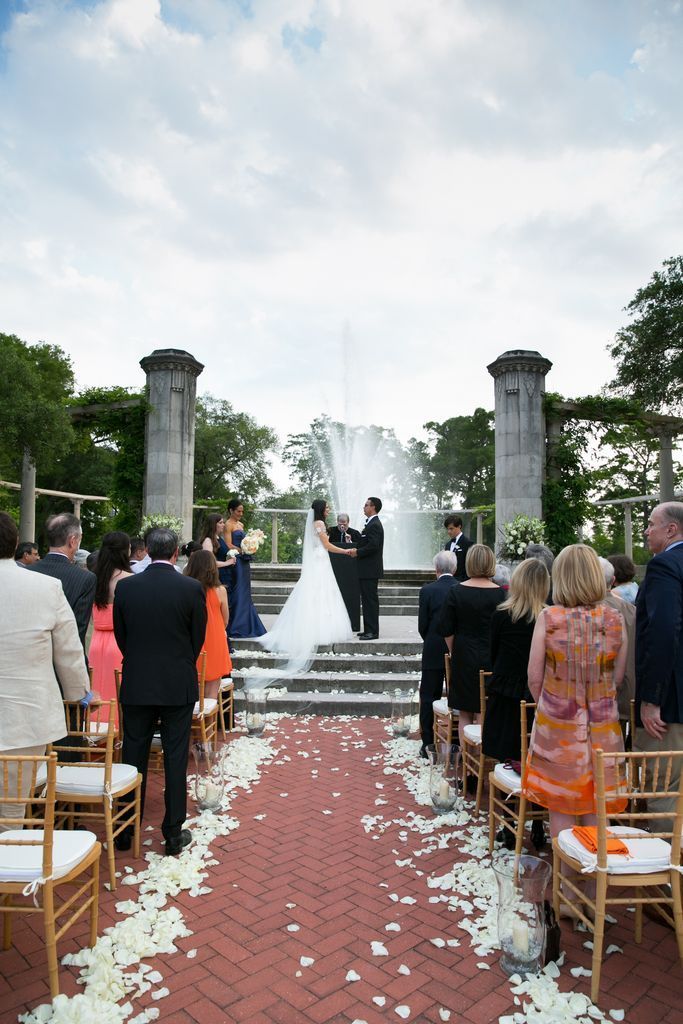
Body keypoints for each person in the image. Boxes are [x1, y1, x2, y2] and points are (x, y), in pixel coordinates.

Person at [113, 528, 207, 856]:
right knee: (175, 756)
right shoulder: (191, 588)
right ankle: (172, 833)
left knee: (133, 756)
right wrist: (180, 663)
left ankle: (125, 830)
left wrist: (141, 662)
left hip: (138, 681)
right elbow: (198, 637)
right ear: (177, 551)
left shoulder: (126, 588)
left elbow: (122, 637)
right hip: (176, 684)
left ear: (149, 551)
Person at [522, 544, 627, 838]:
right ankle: (596, 878)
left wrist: (551, 704)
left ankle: (566, 882)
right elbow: (617, 678)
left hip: (557, 726)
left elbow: (533, 676)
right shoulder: (614, 620)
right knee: (598, 803)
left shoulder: (550, 618)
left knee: (562, 806)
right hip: (604, 725)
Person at [0, 512, 90, 827]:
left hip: (24, 713)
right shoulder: (46, 587)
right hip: (26, 714)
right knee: (12, 807)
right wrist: (79, 694)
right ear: (14, 544)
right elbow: (68, 651)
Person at [483, 558, 549, 850]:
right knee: (538, 761)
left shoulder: (502, 615)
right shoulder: (550, 617)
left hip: (507, 693)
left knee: (508, 760)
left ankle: (510, 827)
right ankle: (536, 823)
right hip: (538, 696)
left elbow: (493, 654)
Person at [259, 499, 356, 673]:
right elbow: (326, 545)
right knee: (319, 594)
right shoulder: (318, 523)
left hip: (321, 561)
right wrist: (345, 551)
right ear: (320, 509)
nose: (329, 510)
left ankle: (317, 627)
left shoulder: (318, 522)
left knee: (321, 594)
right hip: (320, 562)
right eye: (326, 508)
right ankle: (317, 630)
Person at [634, 501, 683, 824]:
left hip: (671, 700)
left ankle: (662, 871)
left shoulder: (665, 565)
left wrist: (652, 699)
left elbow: (664, 630)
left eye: (651, 524)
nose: (647, 530)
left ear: (671, 529)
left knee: (664, 789)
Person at [437, 543, 505, 755]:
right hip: (493, 656)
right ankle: (484, 759)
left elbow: (446, 628)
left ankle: (467, 768)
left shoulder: (456, 591)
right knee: (485, 709)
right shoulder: (502, 596)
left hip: (464, 655)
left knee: (465, 712)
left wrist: (455, 650)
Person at [27, 513, 96, 653]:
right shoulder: (85, 578)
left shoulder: (27, 572)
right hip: (66, 657)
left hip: (30, 654)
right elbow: (78, 629)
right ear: (72, 541)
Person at [89, 532, 133, 720]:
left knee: (96, 688)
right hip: (119, 642)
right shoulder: (128, 579)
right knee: (116, 692)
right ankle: (115, 736)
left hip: (96, 641)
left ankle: (96, 734)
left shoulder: (93, 578)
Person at [417, 550, 457, 754]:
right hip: (456, 650)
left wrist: (432, 640)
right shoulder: (460, 588)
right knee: (457, 694)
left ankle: (427, 742)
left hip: (433, 647)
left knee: (428, 695)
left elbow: (422, 625)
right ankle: (456, 740)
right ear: (455, 569)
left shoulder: (427, 590)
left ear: (436, 569)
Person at [184, 549, 232, 699]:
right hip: (215, 641)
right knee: (211, 694)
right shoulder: (220, 591)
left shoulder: (185, 590)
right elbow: (225, 620)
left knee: (192, 691)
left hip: (190, 641)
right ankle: (209, 720)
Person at [599, 557, 636, 745]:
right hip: (631, 686)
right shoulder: (631, 609)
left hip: (605, 688)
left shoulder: (596, 611)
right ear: (612, 580)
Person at [224, 498, 266, 639]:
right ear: (231, 510)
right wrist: (243, 550)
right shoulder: (228, 525)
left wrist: (251, 547)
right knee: (238, 589)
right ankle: (237, 624)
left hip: (244, 561)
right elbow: (228, 545)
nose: (241, 514)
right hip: (236, 560)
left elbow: (245, 541)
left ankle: (247, 623)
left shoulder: (241, 525)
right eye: (238, 511)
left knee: (245, 591)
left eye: (242, 511)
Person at [355, 497, 385, 640]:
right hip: (366, 570)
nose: (364, 507)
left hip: (370, 570)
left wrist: (357, 552)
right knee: (366, 600)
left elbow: (373, 546)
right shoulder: (370, 524)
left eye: (366, 505)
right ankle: (368, 629)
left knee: (370, 601)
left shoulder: (375, 525)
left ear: (373, 507)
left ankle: (372, 632)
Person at [444, 515, 473, 582]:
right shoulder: (447, 545)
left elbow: (470, 566)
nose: (448, 532)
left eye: (451, 528)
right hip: (449, 582)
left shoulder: (468, 544)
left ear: (459, 526)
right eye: (447, 529)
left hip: (463, 582)